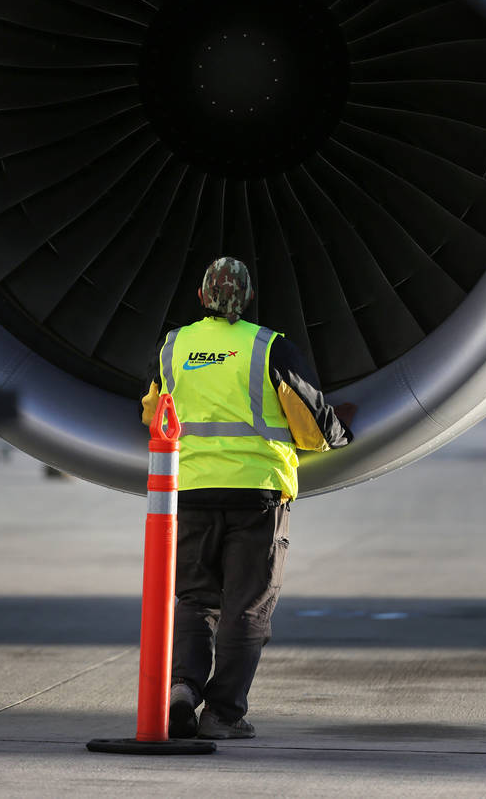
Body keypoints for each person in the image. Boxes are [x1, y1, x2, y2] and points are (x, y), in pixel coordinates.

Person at [141, 256, 355, 740]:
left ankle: (181, 688)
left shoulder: (173, 347)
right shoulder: (267, 347)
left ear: (201, 298)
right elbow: (311, 418)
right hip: (256, 495)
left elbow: (153, 412)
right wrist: (339, 434)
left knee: (194, 598)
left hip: (190, 491)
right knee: (247, 607)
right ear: (249, 299)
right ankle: (222, 714)